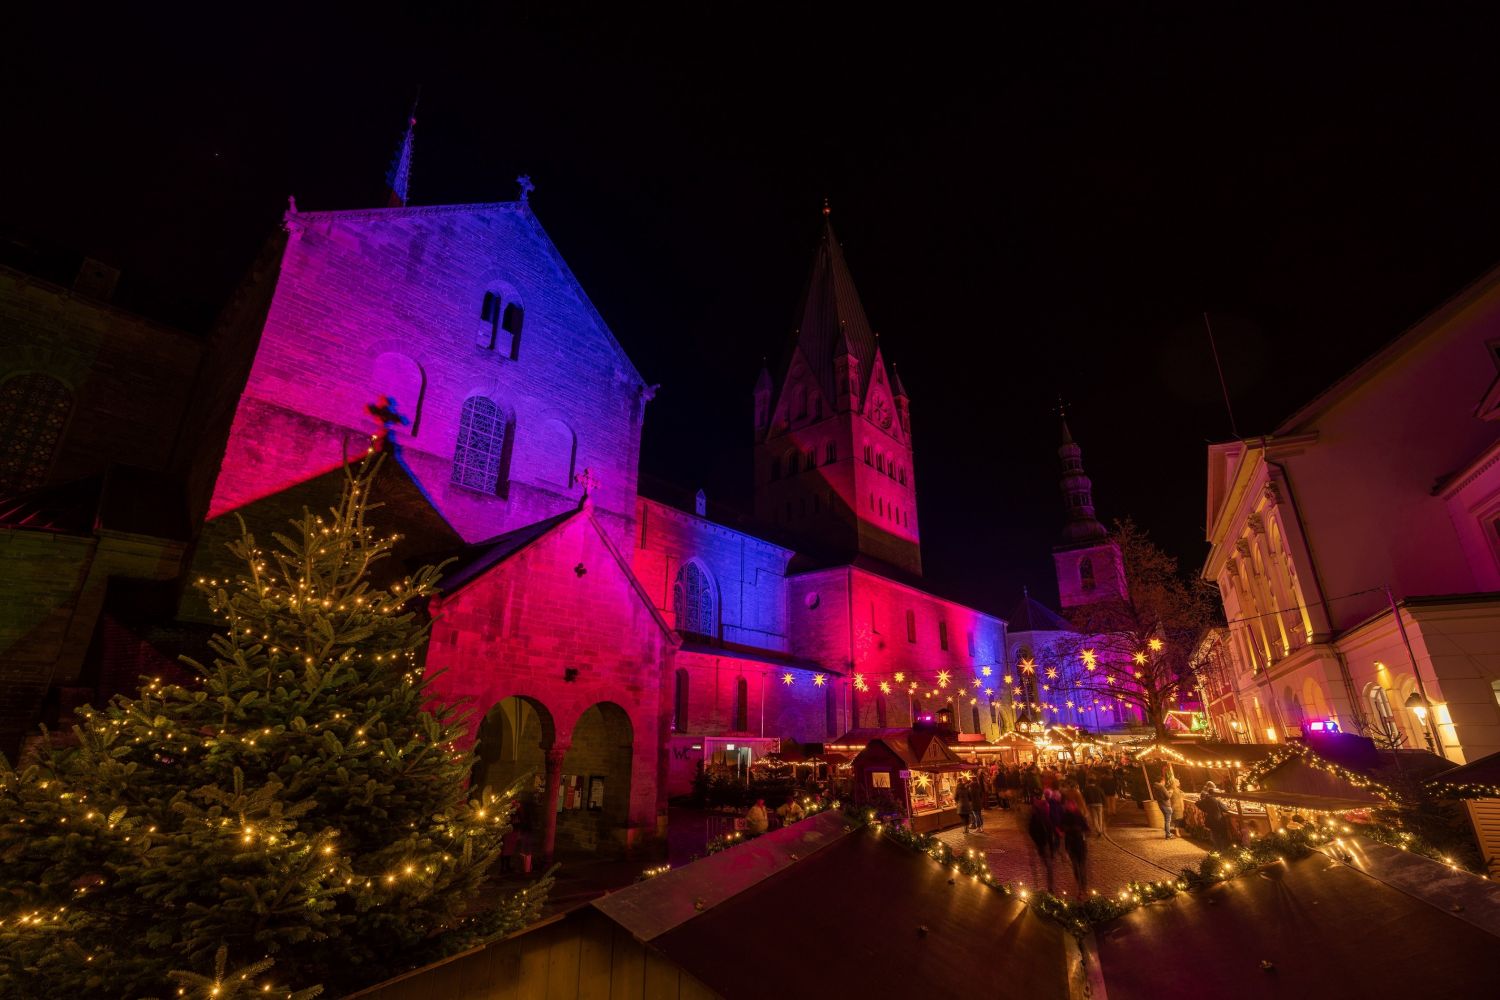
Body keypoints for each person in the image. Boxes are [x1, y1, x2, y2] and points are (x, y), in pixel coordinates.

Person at [1059, 798, 1091, 892]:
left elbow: (1087, 829)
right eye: (1068, 805)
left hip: (1080, 843)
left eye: (1071, 805)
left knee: (1082, 865)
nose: (1070, 807)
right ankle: (1079, 881)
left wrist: (1081, 831)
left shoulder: (1079, 816)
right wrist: (1069, 830)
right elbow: (1062, 828)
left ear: (1074, 806)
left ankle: (1083, 884)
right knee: (1075, 865)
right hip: (1071, 843)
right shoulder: (1065, 816)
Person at [1027, 794, 1057, 892]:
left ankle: (1047, 886)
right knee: (1048, 864)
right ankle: (1048, 886)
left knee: (1047, 864)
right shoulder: (1041, 816)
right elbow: (1032, 830)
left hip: (1044, 843)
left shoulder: (1038, 816)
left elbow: (1031, 830)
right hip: (1044, 842)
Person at [1198, 782, 1230, 851]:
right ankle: (1222, 850)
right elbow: (1226, 809)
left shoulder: (1206, 800)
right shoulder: (1216, 800)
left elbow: (1198, 803)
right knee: (1221, 836)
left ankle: (1216, 849)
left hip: (1210, 820)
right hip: (1218, 820)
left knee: (1214, 835)